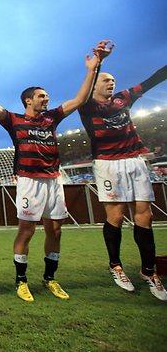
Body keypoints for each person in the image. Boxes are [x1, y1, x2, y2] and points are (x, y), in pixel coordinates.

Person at [0, 41, 111, 302]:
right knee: (27, 231)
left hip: (54, 180)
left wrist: (93, 67)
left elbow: (80, 99)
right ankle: (21, 281)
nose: (47, 98)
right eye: (41, 96)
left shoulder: (52, 117)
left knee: (55, 230)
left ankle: (50, 278)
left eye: (47, 96)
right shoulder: (14, 120)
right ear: (28, 100)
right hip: (29, 181)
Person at [79, 60, 167, 301]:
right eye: (106, 80)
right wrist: (97, 63)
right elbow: (86, 88)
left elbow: (152, 80)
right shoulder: (86, 106)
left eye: (113, 81)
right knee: (116, 216)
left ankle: (149, 272)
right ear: (94, 84)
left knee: (145, 216)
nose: (111, 83)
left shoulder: (123, 98)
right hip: (108, 163)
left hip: (135, 160)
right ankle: (115, 266)